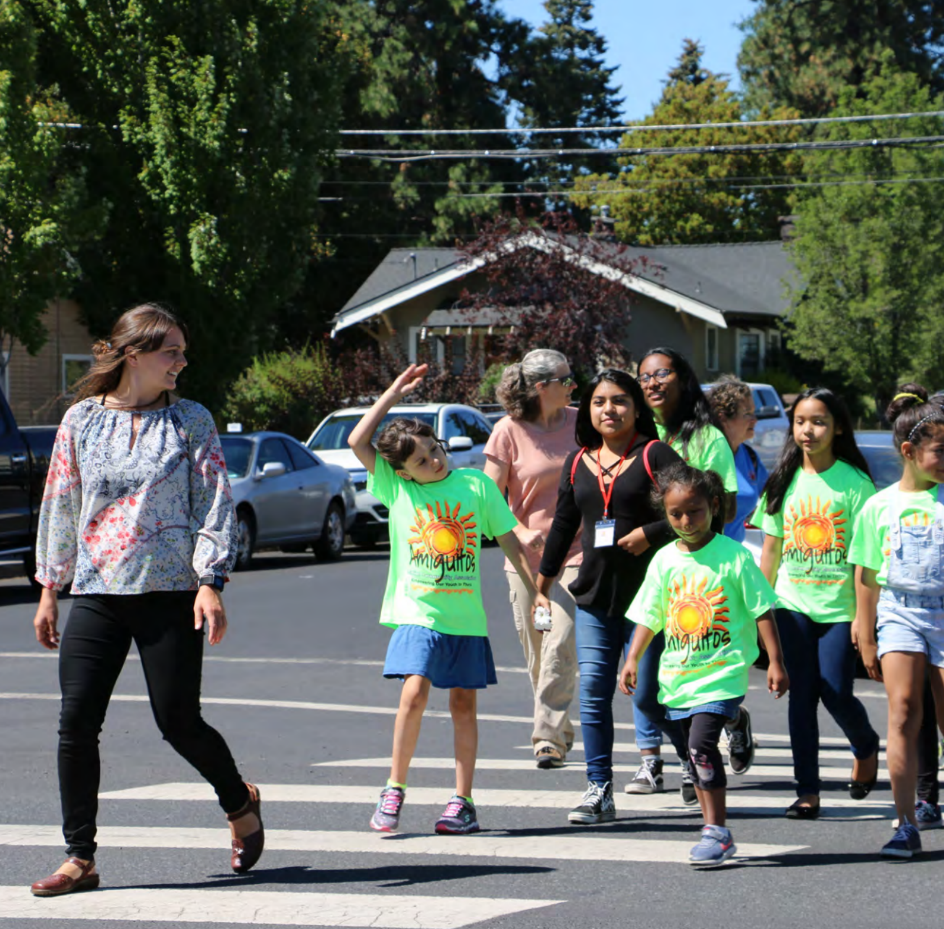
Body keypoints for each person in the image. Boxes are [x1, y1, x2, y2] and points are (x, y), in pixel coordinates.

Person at [29, 304, 263, 897]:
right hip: (98, 590)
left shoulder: (192, 420)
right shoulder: (81, 420)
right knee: (76, 723)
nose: (182, 362)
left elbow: (215, 501)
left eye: (183, 352)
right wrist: (49, 589)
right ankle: (79, 856)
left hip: (171, 592)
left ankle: (239, 801)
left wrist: (210, 579)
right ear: (134, 354)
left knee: (178, 722)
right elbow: (60, 502)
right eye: (171, 352)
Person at [348, 362, 539, 835]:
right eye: (421, 460)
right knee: (413, 691)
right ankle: (394, 788)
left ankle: (462, 801)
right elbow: (357, 442)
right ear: (403, 472)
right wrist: (394, 390)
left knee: (463, 707)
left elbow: (508, 541)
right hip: (418, 612)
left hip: (465, 618)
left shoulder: (474, 485)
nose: (435, 461)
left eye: (435, 450)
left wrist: (537, 592)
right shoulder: (396, 489)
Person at [537, 368, 692, 824]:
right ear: (587, 409)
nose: (610, 409)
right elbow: (564, 524)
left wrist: (651, 531)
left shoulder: (655, 454)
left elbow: (702, 507)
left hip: (653, 599)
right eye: (600, 401)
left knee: (650, 696)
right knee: (593, 694)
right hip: (595, 597)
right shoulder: (577, 460)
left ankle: (693, 759)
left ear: (636, 407)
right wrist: (542, 586)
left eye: (620, 400)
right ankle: (598, 790)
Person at [620, 463, 788, 867]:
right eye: (675, 514)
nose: (684, 521)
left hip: (722, 672)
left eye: (694, 511)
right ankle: (735, 727)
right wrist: (632, 658)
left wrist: (776, 662)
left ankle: (716, 831)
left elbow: (762, 609)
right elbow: (650, 613)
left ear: (714, 506)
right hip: (679, 675)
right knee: (694, 752)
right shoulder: (663, 560)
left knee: (700, 747)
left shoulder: (734, 557)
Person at [758, 387, 880, 819]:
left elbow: (866, 559)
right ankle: (807, 789)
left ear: (838, 427)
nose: (808, 430)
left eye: (819, 421)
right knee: (802, 695)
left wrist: (864, 621)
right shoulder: (783, 480)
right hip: (791, 605)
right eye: (801, 422)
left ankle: (865, 743)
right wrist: (760, 609)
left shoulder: (856, 484)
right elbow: (770, 551)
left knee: (836, 691)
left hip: (840, 610)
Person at [634, 348, 754, 785]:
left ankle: (704, 750)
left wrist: (660, 532)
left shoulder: (706, 437)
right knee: (648, 694)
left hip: (700, 583)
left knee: (697, 685)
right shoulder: (639, 430)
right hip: (649, 577)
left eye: (661, 373)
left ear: (683, 378)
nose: (652, 383)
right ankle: (699, 750)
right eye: (644, 376)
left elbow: (726, 505)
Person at [849, 386, 944, 858]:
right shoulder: (877, 506)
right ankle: (905, 822)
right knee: (904, 710)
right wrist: (865, 636)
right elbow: (866, 576)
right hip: (899, 612)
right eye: (939, 451)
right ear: (909, 451)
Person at [483, 349, 582, 769]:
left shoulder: (582, 423)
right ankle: (559, 729)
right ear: (543, 388)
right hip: (525, 564)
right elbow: (488, 497)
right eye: (566, 378)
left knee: (560, 642)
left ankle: (545, 738)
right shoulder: (508, 431)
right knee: (539, 654)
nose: (574, 384)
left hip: (578, 553)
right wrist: (521, 531)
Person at [705, 376, 769, 544]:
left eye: (754, 413)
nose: (755, 420)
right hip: (703, 560)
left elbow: (775, 498)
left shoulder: (750, 456)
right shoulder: (703, 456)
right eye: (747, 414)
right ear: (722, 418)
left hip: (733, 558)